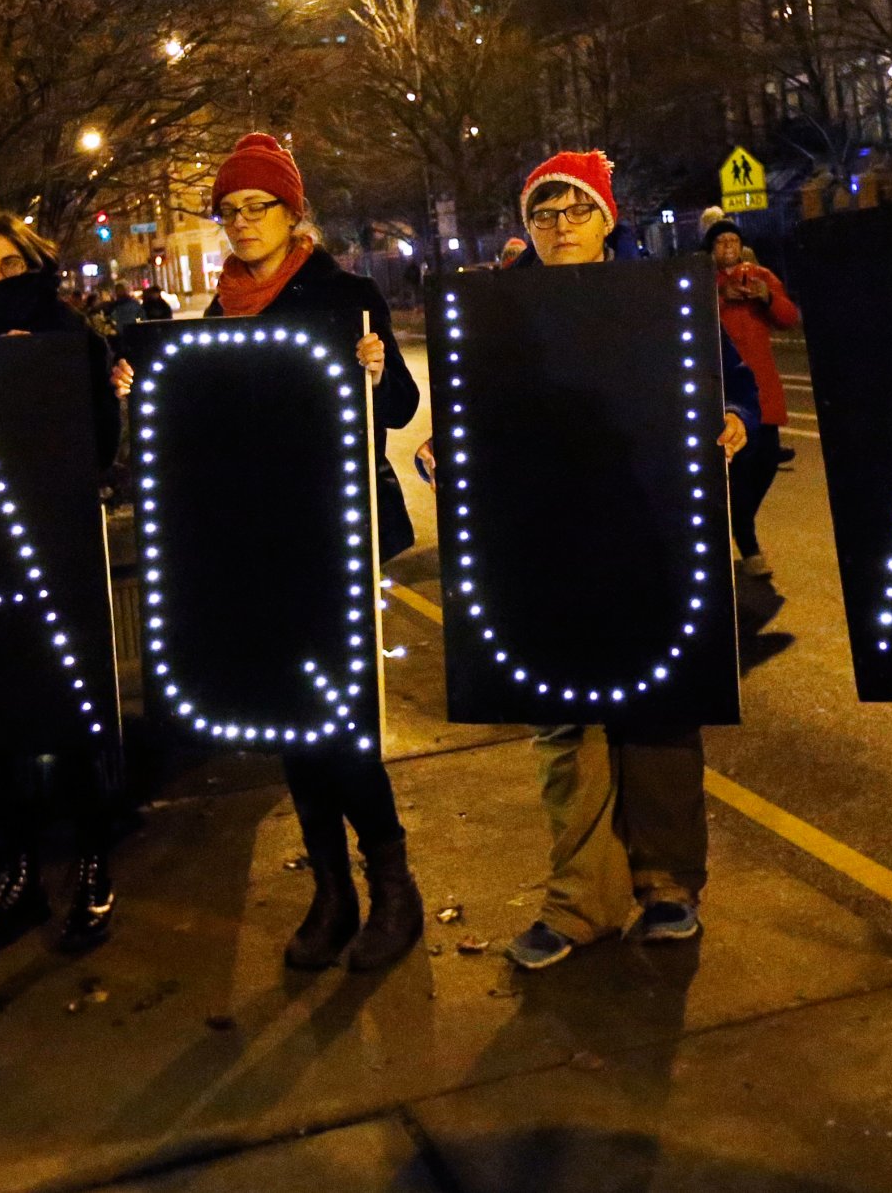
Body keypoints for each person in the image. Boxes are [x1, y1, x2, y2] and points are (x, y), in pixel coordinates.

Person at [466, 151, 758, 973]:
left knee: (659, 711)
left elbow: (730, 379)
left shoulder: (661, 297)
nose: (560, 226)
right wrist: (446, 455)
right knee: (567, 726)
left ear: (606, 216)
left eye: (574, 210)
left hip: (646, 525)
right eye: (544, 214)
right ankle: (580, 900)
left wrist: (732, 416)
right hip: (547, 540)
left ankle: (668, 886)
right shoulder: (504, 310)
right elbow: (482, 407)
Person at [190, 131, 428, 973]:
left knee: (346, 722)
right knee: (295, 718)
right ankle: (332, 891)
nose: (245, 221)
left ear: (293, 213)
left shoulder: (346, 292)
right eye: (231, 210)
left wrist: (376, 368)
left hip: (340, 535)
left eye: (260, 206)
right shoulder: (220, 312)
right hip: (263, 542)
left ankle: (393, 886)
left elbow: (397, 410)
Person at [0, 210, 126, 954]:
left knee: (78, 721)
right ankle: (19, 874)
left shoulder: (75, 337)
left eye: (10, 264)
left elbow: (102, 445)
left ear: (35, 266)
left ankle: (94, 864)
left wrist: (69, 384)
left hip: (62, 546)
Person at [704, 217, 802, 601]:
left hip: (763, 388)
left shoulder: (760, 275)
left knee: (764, 466)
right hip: (729, 392)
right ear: (711, 249)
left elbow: (789, 318)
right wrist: (719, 299)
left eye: (733, 240)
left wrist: (766, 297)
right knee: (740, 468)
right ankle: (748, 542)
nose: (728, 246)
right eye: (720, 241)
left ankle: (739, 521)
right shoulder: (704, 280)